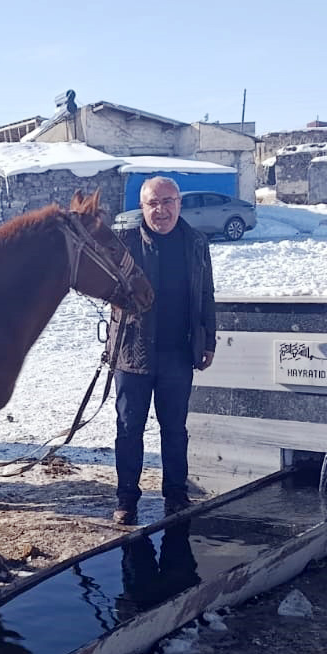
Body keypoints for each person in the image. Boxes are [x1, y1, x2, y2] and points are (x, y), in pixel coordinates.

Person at [106, 177, 216, 524]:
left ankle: (176, 495)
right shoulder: (123, 243)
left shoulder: (196, 243)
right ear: (142, 207)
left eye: (168, 201)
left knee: (174, 429)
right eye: (153, 203)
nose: (161, 210)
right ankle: (127, 499)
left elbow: (207, 295)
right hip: (132, 353)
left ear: (179, 204)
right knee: (128, 429)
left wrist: (208, 340)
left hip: (178, 353)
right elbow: (104, 289)